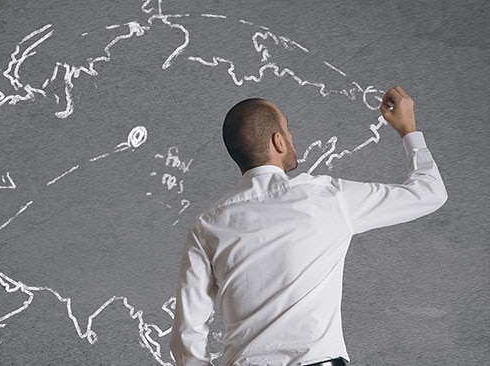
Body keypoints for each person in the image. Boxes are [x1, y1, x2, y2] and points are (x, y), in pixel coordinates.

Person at [169, 86, 447, 366]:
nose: (291, 137)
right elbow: (430, 192)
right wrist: (408, 130)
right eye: (287, 129)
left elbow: (186, 333)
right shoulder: (328, 198)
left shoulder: (207, 226)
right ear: (278, 141)